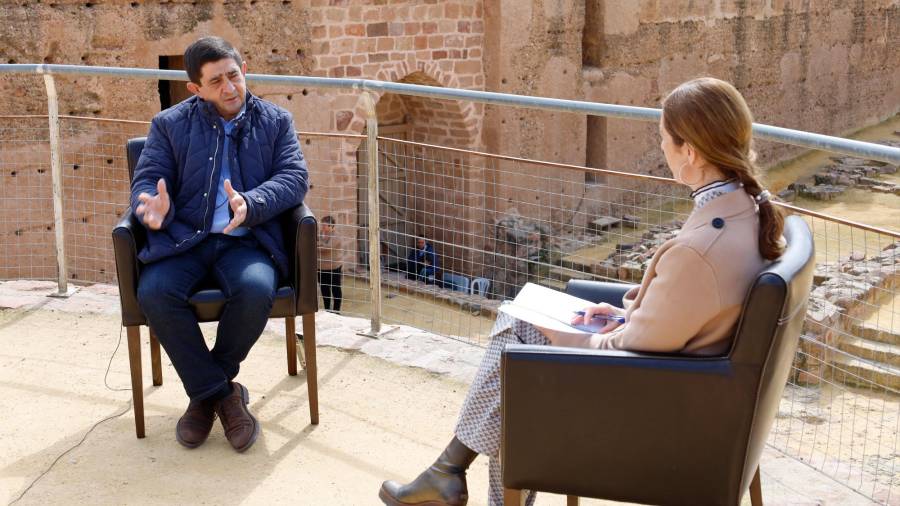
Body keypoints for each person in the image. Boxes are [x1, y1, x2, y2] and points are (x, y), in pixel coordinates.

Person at [378, 77, 784, 506]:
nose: (661, 148)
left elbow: (635, 344)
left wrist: (570, 334)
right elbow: (682, 313)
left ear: (690, 151)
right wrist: (623, 313)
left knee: (516, 350)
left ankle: (450, 473)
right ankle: (450, 473)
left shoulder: (703, 248)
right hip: (689, 393)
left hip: (655, 410)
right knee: (518, 340)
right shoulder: (744, 211)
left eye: (664, 139)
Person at [132, 36, 309, 452]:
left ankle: (203, 396)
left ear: (243, 68)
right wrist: (150, 209)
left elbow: (295, 177)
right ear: (195, 89)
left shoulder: (276, 121)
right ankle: (221, 395)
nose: (230, 88)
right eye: (216, 82)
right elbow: (147, 178)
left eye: (234, 75)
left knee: (255, 289)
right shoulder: (169, 124)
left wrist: (253, 201)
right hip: (184, 241)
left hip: (248, 241)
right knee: (155, 292)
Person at [317, 215, 344, 312]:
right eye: (322, 225)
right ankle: (327, 310)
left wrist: (318, 245)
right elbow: (314, 242)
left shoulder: (336, 236)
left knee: (335, 289)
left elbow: (327, 248)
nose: (322, 227)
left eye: (324, 226)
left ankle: (336, 311)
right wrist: (319, 244)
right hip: (321, 268)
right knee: (324, 290)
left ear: (331, 226)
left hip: (334, 267)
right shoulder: (319, 234)